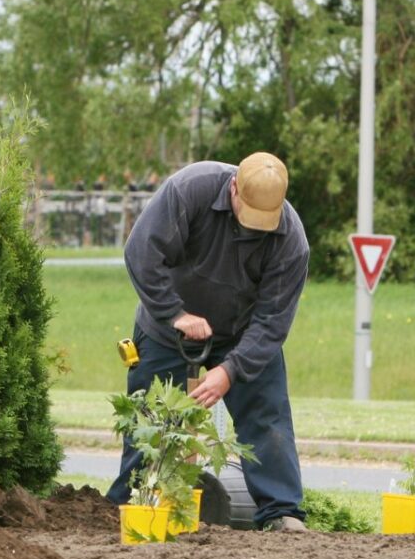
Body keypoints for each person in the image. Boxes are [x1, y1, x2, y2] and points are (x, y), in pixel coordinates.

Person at [105, 152, 311, 532]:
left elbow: (273, 321)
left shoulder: (291, 240)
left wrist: (231, 371)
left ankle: (281, 513)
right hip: (169, 328)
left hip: (242, 335)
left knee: (267, 418)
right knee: (153, 419)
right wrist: (176, 314)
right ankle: (133, 503)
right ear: (233, 187)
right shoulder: (190, 189)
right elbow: (142, 253)